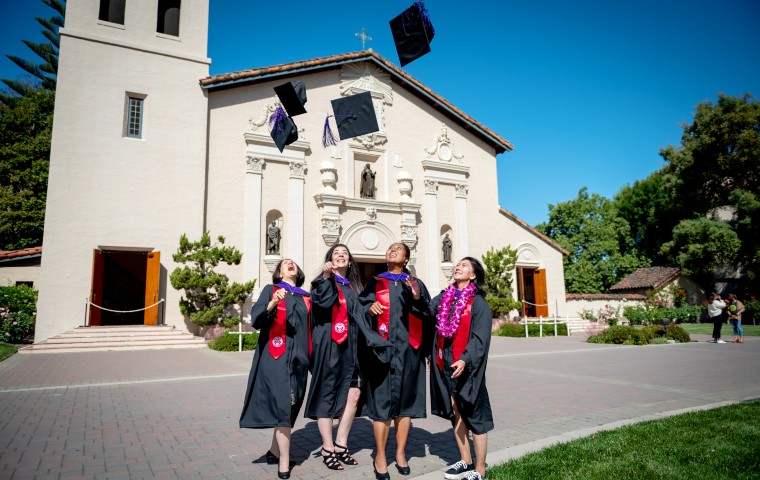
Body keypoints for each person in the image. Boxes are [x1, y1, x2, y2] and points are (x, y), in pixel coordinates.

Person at [305, 244, 389, 471]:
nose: (341, 255)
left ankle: (341, 444)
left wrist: (371, 308)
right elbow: (321, 305)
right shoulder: (321, 283)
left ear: (350, 261)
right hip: (330, 347)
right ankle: (327, 446)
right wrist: (326, 277)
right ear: (329, 260)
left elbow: (361, 316)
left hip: (353, 349)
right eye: (336, 253)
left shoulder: (355, 288)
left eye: (345, 253)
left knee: (354, 394)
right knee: (327, 394)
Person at [359, 242, 433, 480]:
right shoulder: (375, 282)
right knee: (382, 406)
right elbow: (358, 310)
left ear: (406, 258)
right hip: (383, 352)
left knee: (405, 405)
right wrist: (370, 308)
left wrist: (417, 299)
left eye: (398, 249)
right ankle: (380, 456)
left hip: (410, 353)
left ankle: (400, 453)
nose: (392, 250)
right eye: (390, 248)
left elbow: (429, 315)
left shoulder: (415, 283)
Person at [240, 259, 311, 480]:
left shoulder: (306, 297)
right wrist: (272, 303)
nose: (291, 264)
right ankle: (283, 461)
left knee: (292, 404)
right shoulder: (271, 290)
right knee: (283, 403)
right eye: (285, 263)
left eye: (294, 263)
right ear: (279, 273)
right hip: (276, 357)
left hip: (300, 359)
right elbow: (257, 318)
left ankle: (273, 451)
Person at [429, 257, 493, 480]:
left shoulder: (478, 304)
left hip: (467, 367)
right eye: (457, 265)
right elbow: (427, 313)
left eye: (464, 266)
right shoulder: (445, 298)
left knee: (475, 415)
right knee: (456, 411)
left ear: (473, 275)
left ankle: (480, 470)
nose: (458, 267)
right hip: (446, 364)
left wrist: (465, 359)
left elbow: (480, 339)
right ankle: (465, 462)